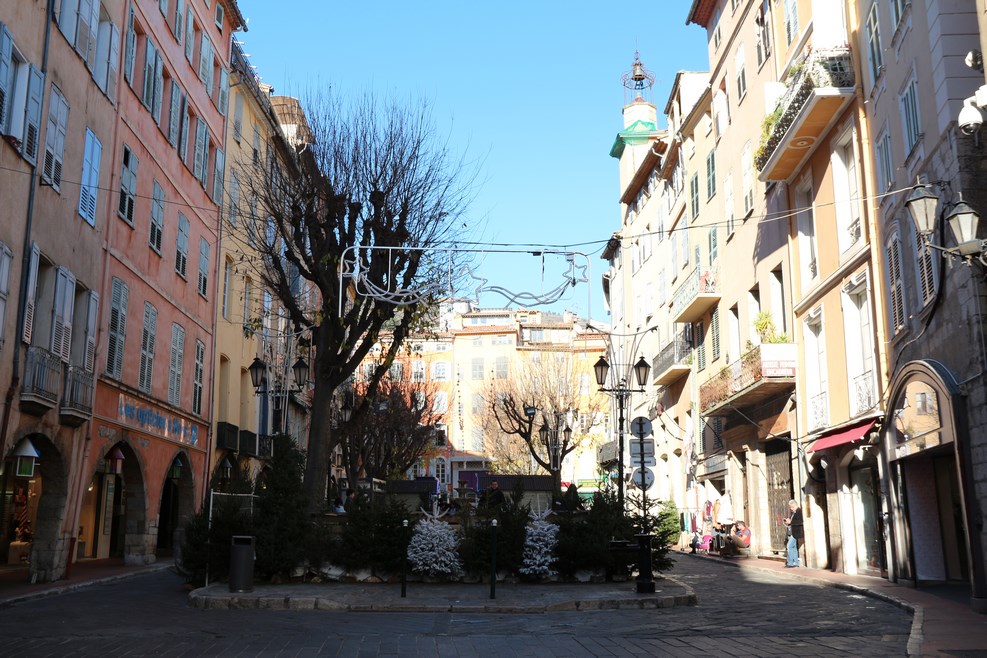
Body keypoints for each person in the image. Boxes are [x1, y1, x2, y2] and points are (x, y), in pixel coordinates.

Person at [782, 499, 803, 567]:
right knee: (793, 547)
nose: (791, 508)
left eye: (792, 507)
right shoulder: (793, 512)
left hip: (796, 532)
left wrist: (791, 522)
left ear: (795, 505)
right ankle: (796, 563)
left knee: (789, 546)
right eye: (790, 507)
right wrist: (788, 521)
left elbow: (800, 522)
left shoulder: (799, 511)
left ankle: (790, 563)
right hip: (791, 532)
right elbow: (792, 521)